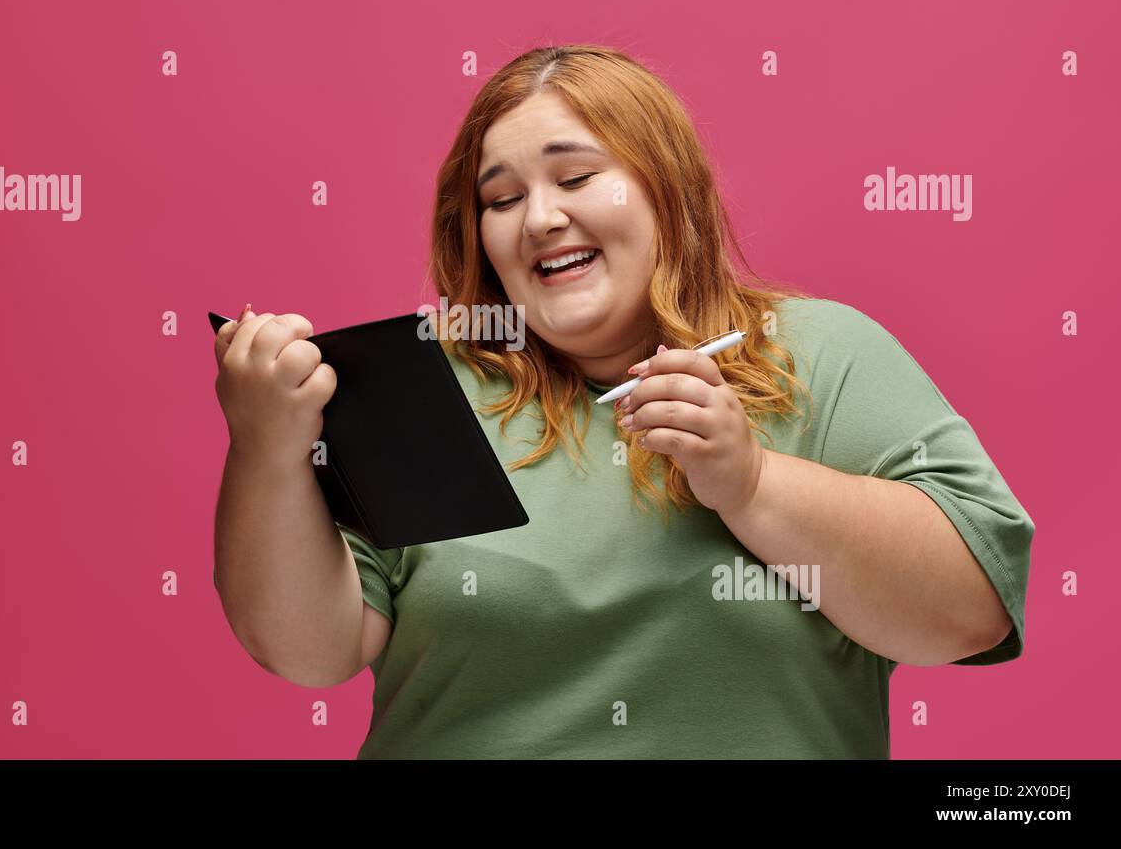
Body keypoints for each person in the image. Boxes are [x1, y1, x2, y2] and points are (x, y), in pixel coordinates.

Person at [212, 44, 1034, 759]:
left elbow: (969, 613)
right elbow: (308, 652)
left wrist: (750, 484)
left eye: (575, 177)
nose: (540, 218)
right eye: (501, 199)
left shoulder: (821, 355)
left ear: (665, 188)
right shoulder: (426, 393)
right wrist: (267, 448)